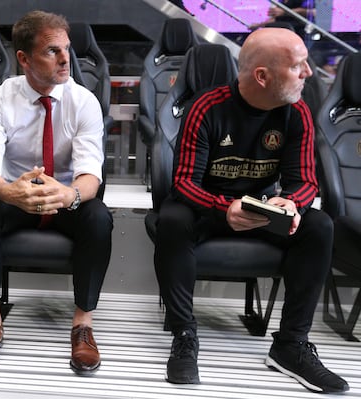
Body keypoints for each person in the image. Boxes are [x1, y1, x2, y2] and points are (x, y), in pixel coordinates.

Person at [152, 27, 349, 393]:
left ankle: (291, 345)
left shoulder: (297, 113)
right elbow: (182, 182)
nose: (308, 73)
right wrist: (224, 207)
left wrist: (292, 203)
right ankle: (184, 335)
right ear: (263, 76)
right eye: (298, 66)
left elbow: (305, 181)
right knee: (172, 218)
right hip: (208, 210)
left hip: (262, 211)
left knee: (318, 224)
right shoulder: (207, 107)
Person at [0, 10, 113, 375]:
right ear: (24, 59)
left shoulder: (84, 102)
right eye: (52, 51)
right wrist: (11, 193)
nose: (66, 59)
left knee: (98, 218)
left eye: (66, 49)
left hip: (66, 197)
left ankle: (83, 325)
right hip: (15, 195)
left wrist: (69, 196)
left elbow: (91, 177)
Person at [249, 0, 315, 38]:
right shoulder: (281, 1)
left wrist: (284, 12)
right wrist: (259, 25)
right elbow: (276, 19)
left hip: (299, 29)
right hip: (280, 29)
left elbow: (313, 12)